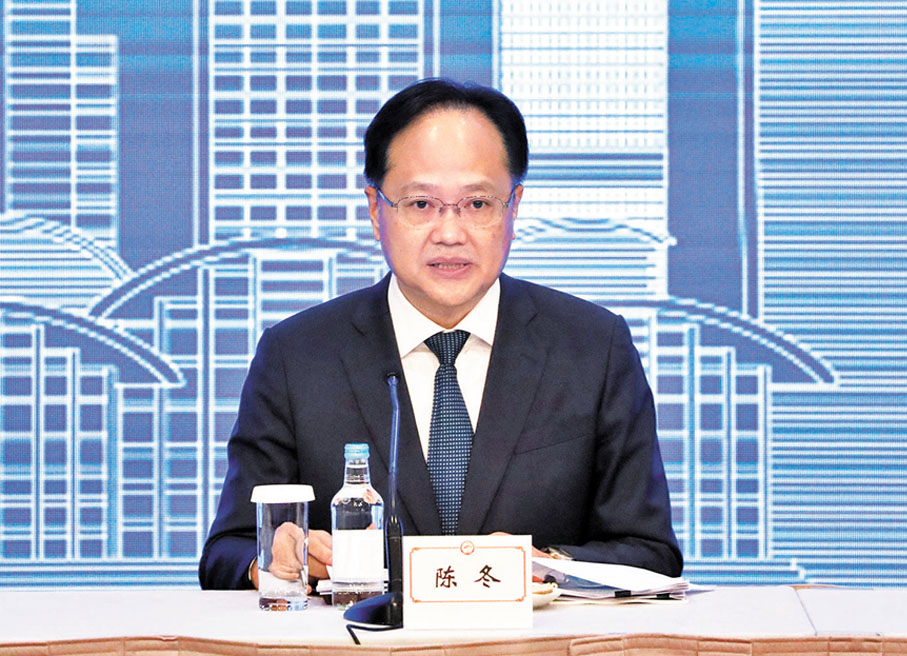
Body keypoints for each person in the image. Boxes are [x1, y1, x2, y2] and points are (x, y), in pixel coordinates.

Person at [199, 78, 682, 590]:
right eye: (421, 204)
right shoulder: (297, 357)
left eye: (478, 204)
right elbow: (227, 551)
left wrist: (545, 563)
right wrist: (276, 559)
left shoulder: (593, 349)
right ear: (375, 209)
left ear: (514, 207)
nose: (450, 233)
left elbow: (650, 553)